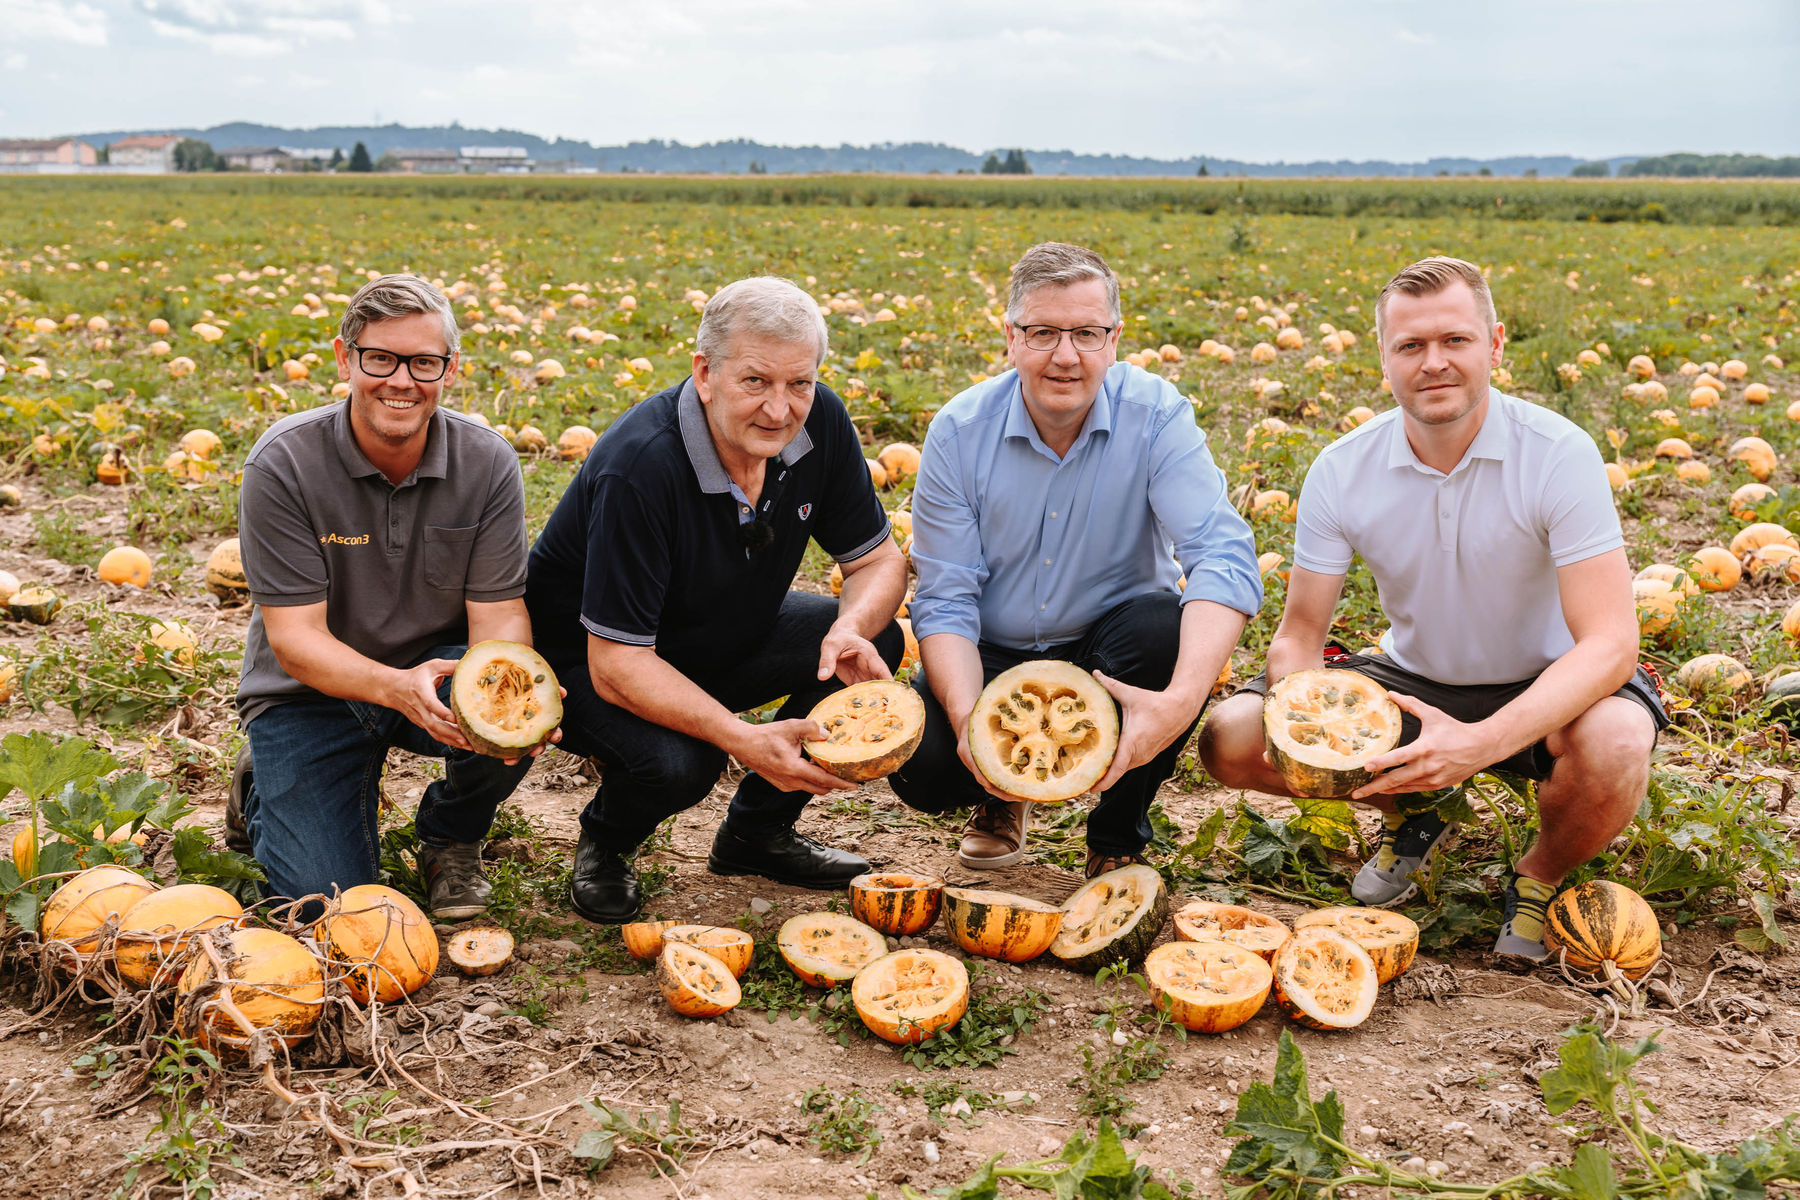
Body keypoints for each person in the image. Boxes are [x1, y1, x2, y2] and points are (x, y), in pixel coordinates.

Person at [1197, 256, 1667, 965]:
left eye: (1455, 341)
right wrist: (1310, 727)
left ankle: (1540, 874)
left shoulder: (1558, 454)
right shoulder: (1342, 469)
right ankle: (1412, 810)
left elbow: (1609, 644)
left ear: (1496, 345)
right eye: (1410, 346)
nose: (1433, 363)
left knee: (1619, 741)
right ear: (1384, 360)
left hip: (1547, 684)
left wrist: (1480, 744)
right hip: (1411, 681)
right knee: (1233, 735)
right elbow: (1299, 636)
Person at [526, 275, 909, 924]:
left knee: (879, 638)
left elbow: (875, 562)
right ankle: (606, 843)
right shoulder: (640, 465)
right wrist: (742, 739)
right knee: (685, 763)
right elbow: (618, 663)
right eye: (755, 381)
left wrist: (853, 626)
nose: (780, 410)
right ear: (704, 373)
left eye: (800, 383)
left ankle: (755, 834)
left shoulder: (821, 424)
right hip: (587, 666)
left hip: (720, 632)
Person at [888, 242, 1263, 877]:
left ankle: (1117, 833)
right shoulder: (958, 431)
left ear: (1114, 339)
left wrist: (1180, 699)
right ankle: (996, 798)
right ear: (1011, 338)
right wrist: (969, 723)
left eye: (1087, 333)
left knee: (1168, 631)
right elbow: (946, 597)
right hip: (992, 650)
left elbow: (1222, 556)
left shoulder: (1157, 416)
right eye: (1043, 332)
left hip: (1111, 650)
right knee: (923, 770)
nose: (1066, 356)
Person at [229, 273, 554, 922]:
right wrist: (394, 687)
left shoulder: (487, 462)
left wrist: (504, 702)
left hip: (434, 673)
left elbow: (500, 618)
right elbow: (295, 640)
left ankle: (451, 836)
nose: (402, 381)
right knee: (322, 912)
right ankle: (260, 788)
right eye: (381, 358)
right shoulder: (284, 463)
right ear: (345, 358)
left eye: (424, 363)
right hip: (310, 695)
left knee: (527, 687)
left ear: (451, 370)